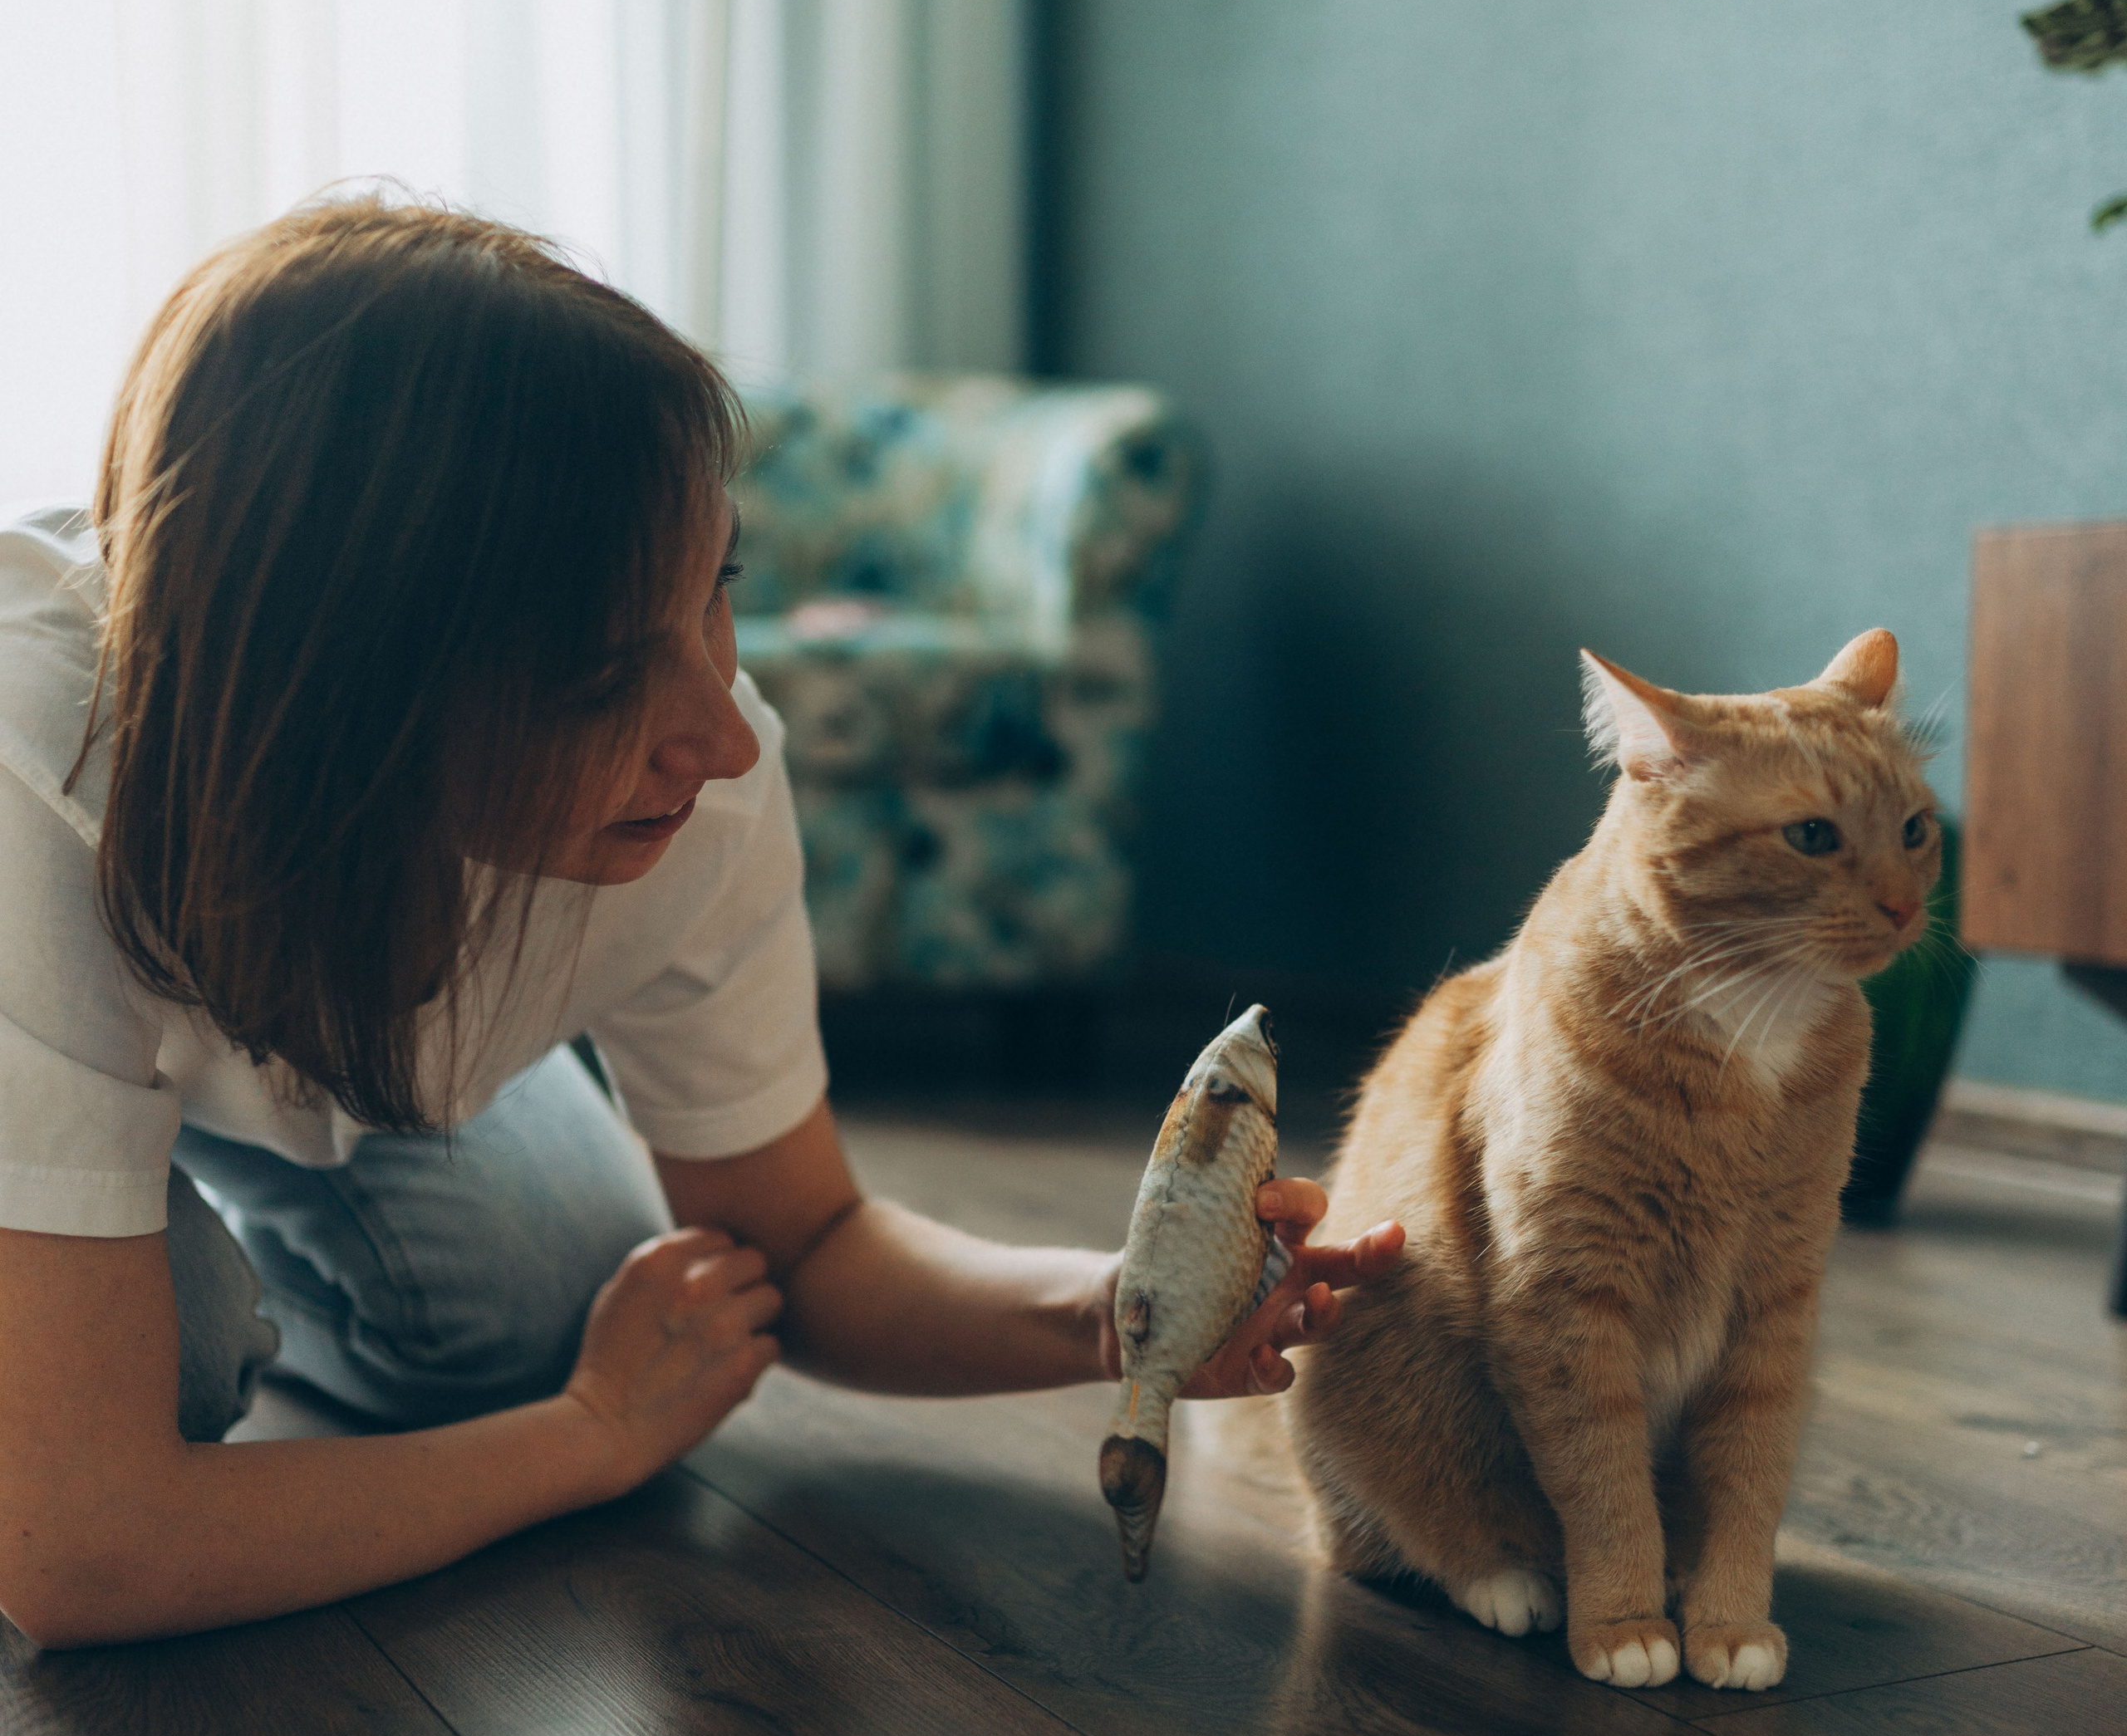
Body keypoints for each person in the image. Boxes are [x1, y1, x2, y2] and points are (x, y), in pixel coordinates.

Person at [0, 198, 1401, 1649]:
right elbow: (84, 1552)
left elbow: (799, 1243)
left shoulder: (702, 788)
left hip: (290, 1035)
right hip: (51, 989)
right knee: (189, 1354)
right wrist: (592, 1433)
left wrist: (1118, 1311)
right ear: (347, 700)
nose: (723, 741)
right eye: (604, 676)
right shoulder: (35, 787)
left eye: (714, 590)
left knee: (573, 1304)